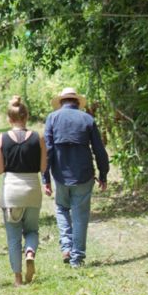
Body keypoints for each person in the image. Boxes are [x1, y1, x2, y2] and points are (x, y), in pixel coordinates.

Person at [43, 87, 109, 268]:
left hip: (60, 176)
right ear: (78, 102)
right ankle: (77, 258)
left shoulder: (52, 118)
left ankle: (66, 247)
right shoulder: (87, 119)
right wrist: (103, 174)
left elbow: (47, 151)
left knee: (61, 208)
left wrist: (46, 178)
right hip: (84, 175)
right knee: (80, 216)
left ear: (61, 102)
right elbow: (99, 150)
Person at [0, 97, 47, 287]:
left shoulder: (2, 138)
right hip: (32, 189)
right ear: (27, 117)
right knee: (32, 230)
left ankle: (17, 278)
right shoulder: (38, 137)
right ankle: (30, 252)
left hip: (11, 191)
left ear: (9, 118)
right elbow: (43, 167)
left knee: (13, 236)